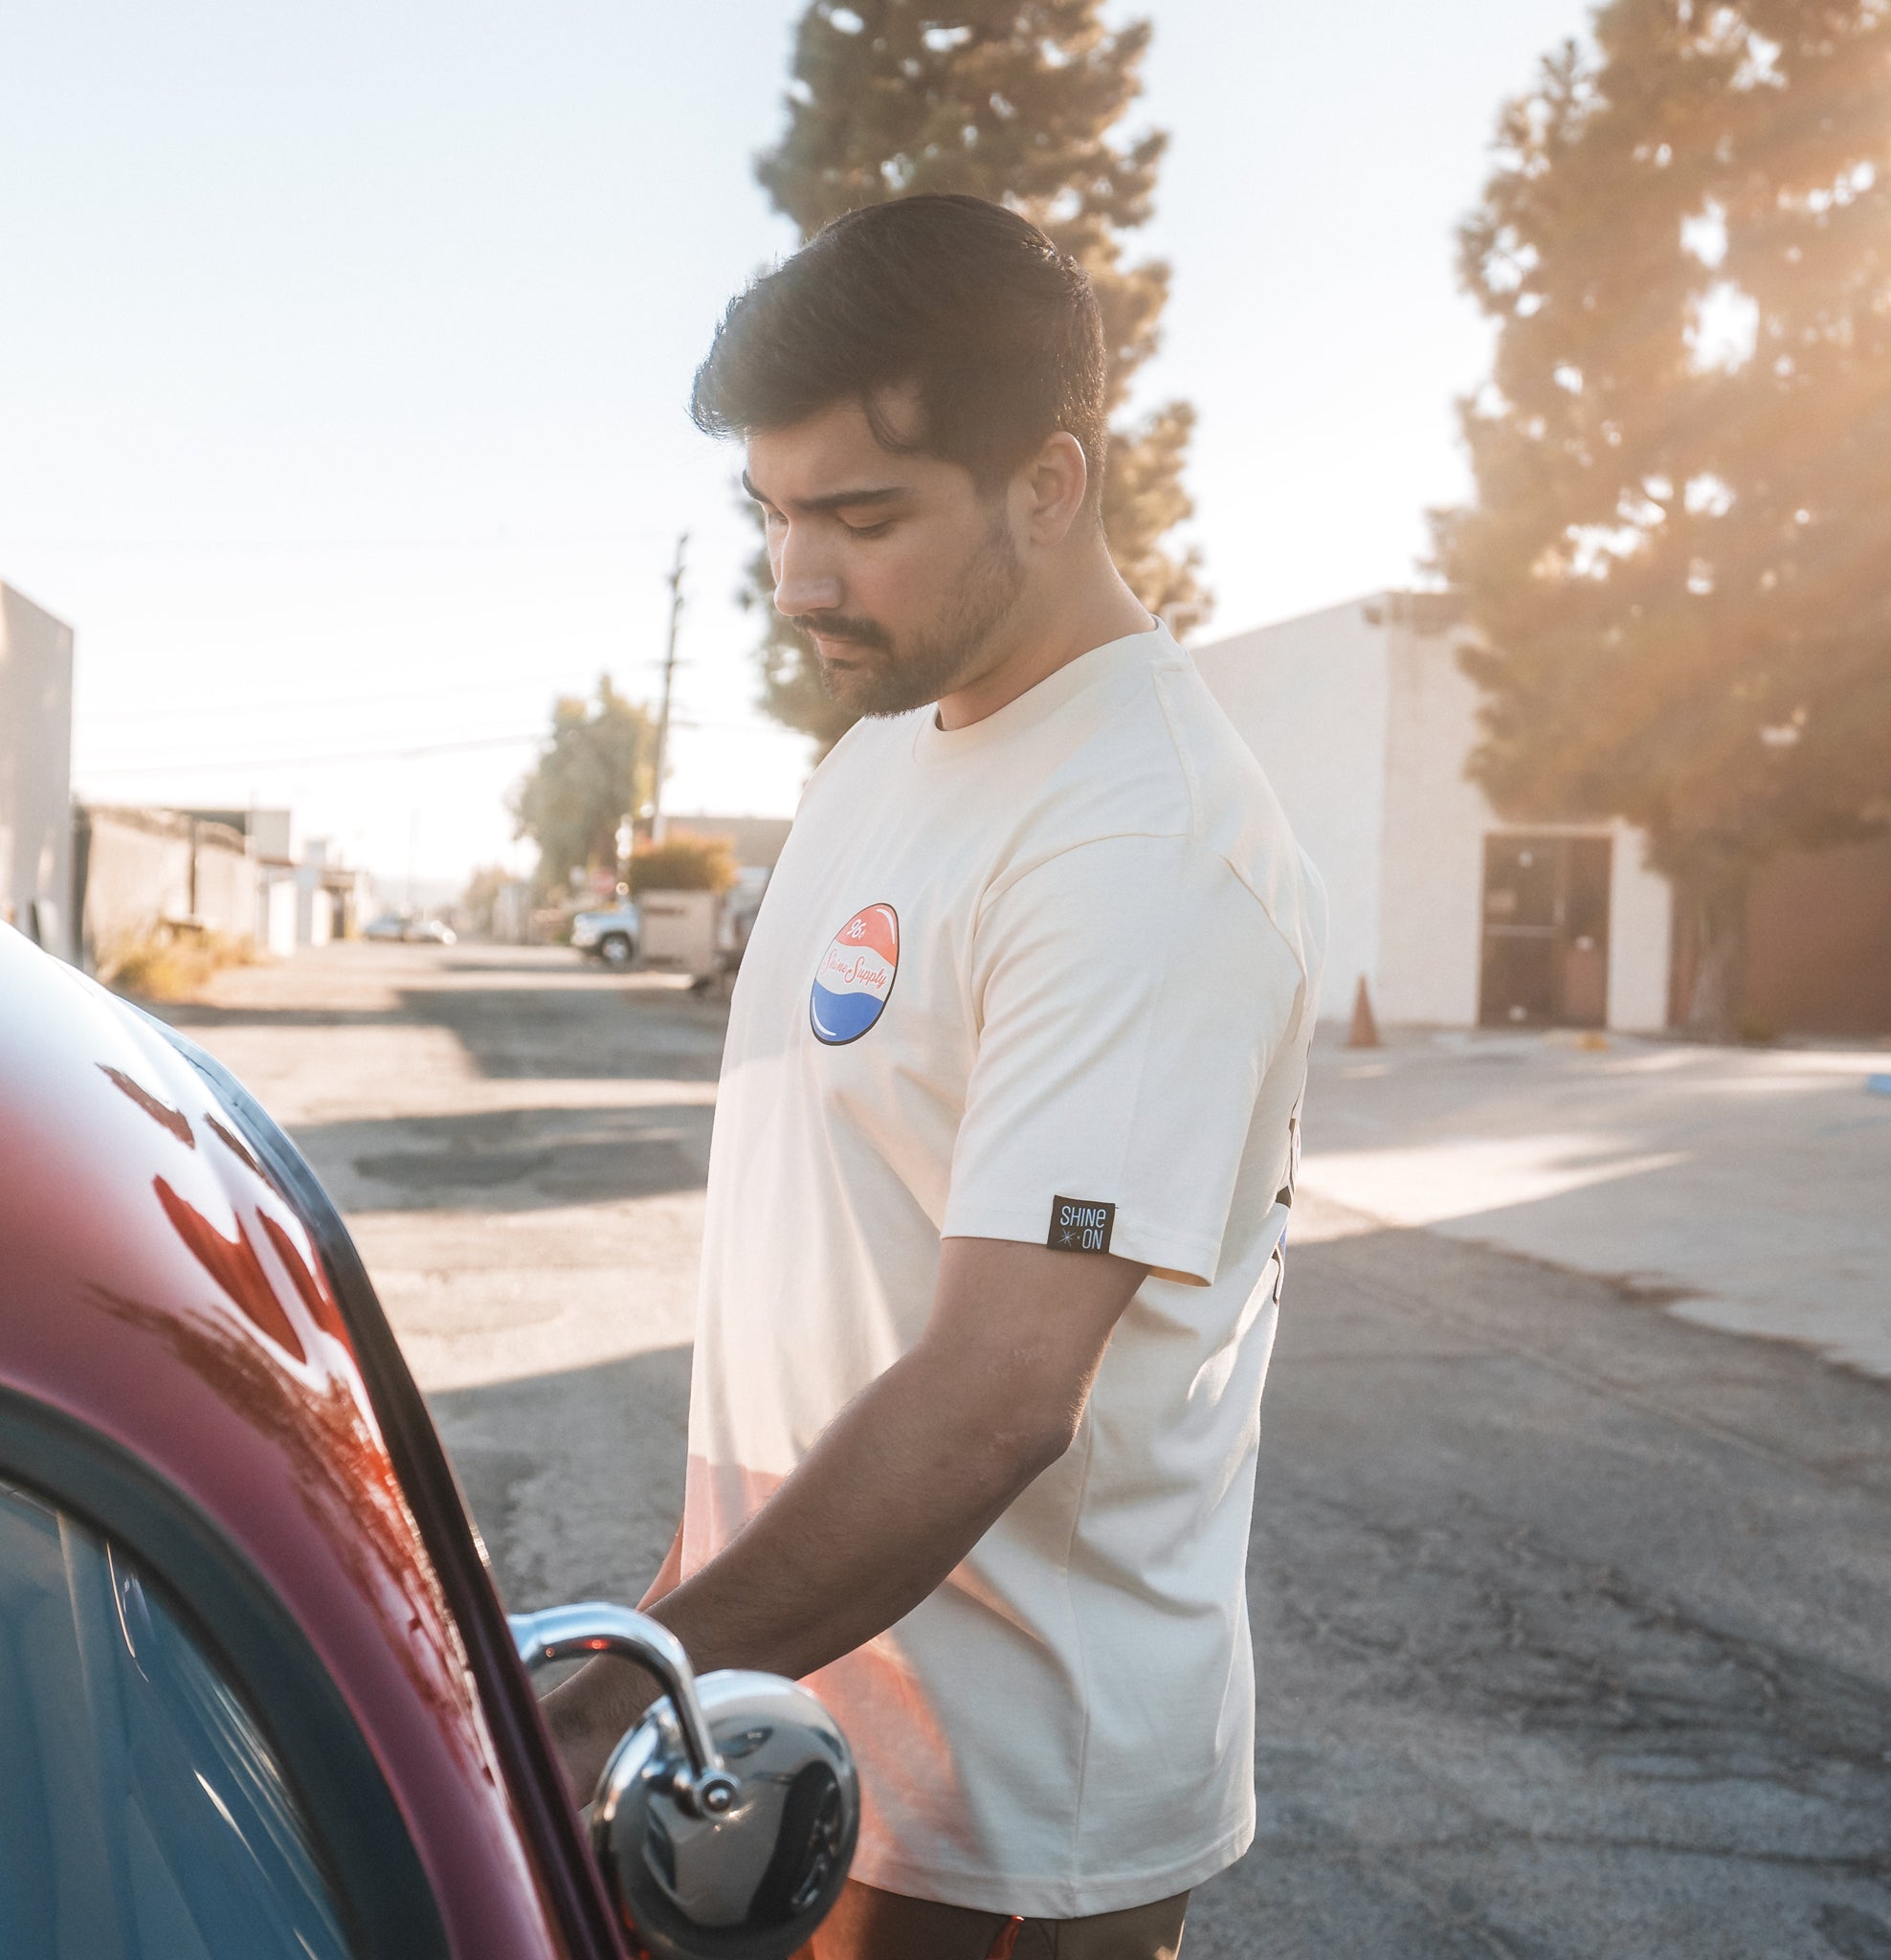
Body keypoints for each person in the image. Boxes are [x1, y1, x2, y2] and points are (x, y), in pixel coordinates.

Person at [545, 193, 1325, 1960]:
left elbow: (995, 1394)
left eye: (863, 516)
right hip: (797, 1736)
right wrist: (660, 1649)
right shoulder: (883, 758)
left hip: (999, 1825)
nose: (799, 576)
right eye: (773, 514)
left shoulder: (1148, 840)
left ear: (1048, 487)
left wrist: (616, 1697)